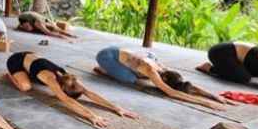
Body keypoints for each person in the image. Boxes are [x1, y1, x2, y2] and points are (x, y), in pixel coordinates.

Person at [5, 52, 138, 128]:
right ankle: (11, 75)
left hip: (32, 55)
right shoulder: (50, 78)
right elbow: (65, 100)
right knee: (25, 87)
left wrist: (116, 108)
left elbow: (89, 92)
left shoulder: (70, 78)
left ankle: (29, 73)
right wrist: (91, 115)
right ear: (62, 88)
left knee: (37, 79)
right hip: (16, 60)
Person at [95, 47, 228, 110]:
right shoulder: (152, 70)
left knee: (141, 75)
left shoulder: (164, 69)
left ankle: (119, 67)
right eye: (162, 82)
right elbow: (171, 92)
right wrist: (206, 103)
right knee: (131, 79)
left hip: (123, 52)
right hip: (106, 55)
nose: (159, 83)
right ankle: (104, 70)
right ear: (164, 78)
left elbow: (185, 84)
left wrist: (212, 96)